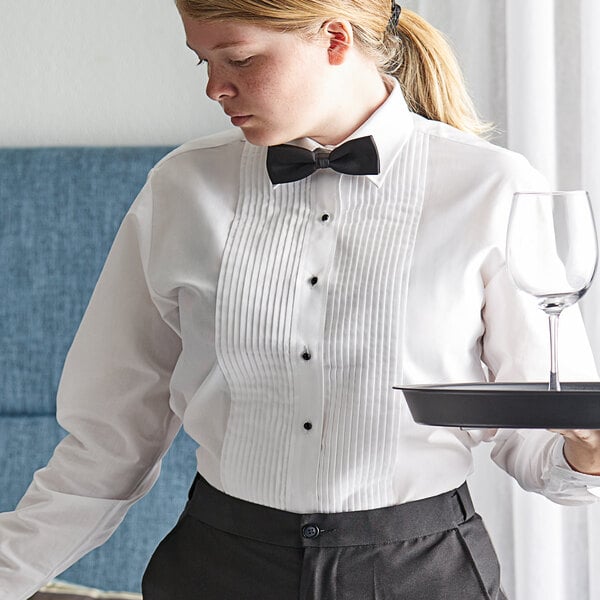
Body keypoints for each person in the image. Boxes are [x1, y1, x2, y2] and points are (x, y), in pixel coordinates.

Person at [2, 1, 600, 599]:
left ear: (335, 38)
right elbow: (109, 443)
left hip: (423, 575)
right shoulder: (181, 189)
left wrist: (585, 453)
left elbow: (542, 433)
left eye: (238, 58)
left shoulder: (492, 187)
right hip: (216, 571)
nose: (215, 87)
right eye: (202, 62)